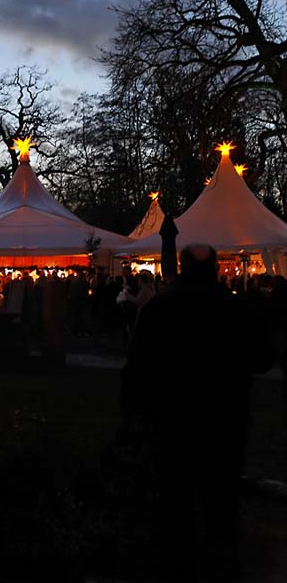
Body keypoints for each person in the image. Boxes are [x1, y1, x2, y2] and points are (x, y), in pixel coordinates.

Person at [122, 245, 274, 581]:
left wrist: (133, 411)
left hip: (172, 423)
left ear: (181, 267)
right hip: (224, 422)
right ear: (218, 269)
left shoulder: (160, 311)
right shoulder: (238, 311)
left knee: (175, 506)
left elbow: (137, 367)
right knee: (221, 505)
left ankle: (179, 565)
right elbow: (263, 359)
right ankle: (221, 564)